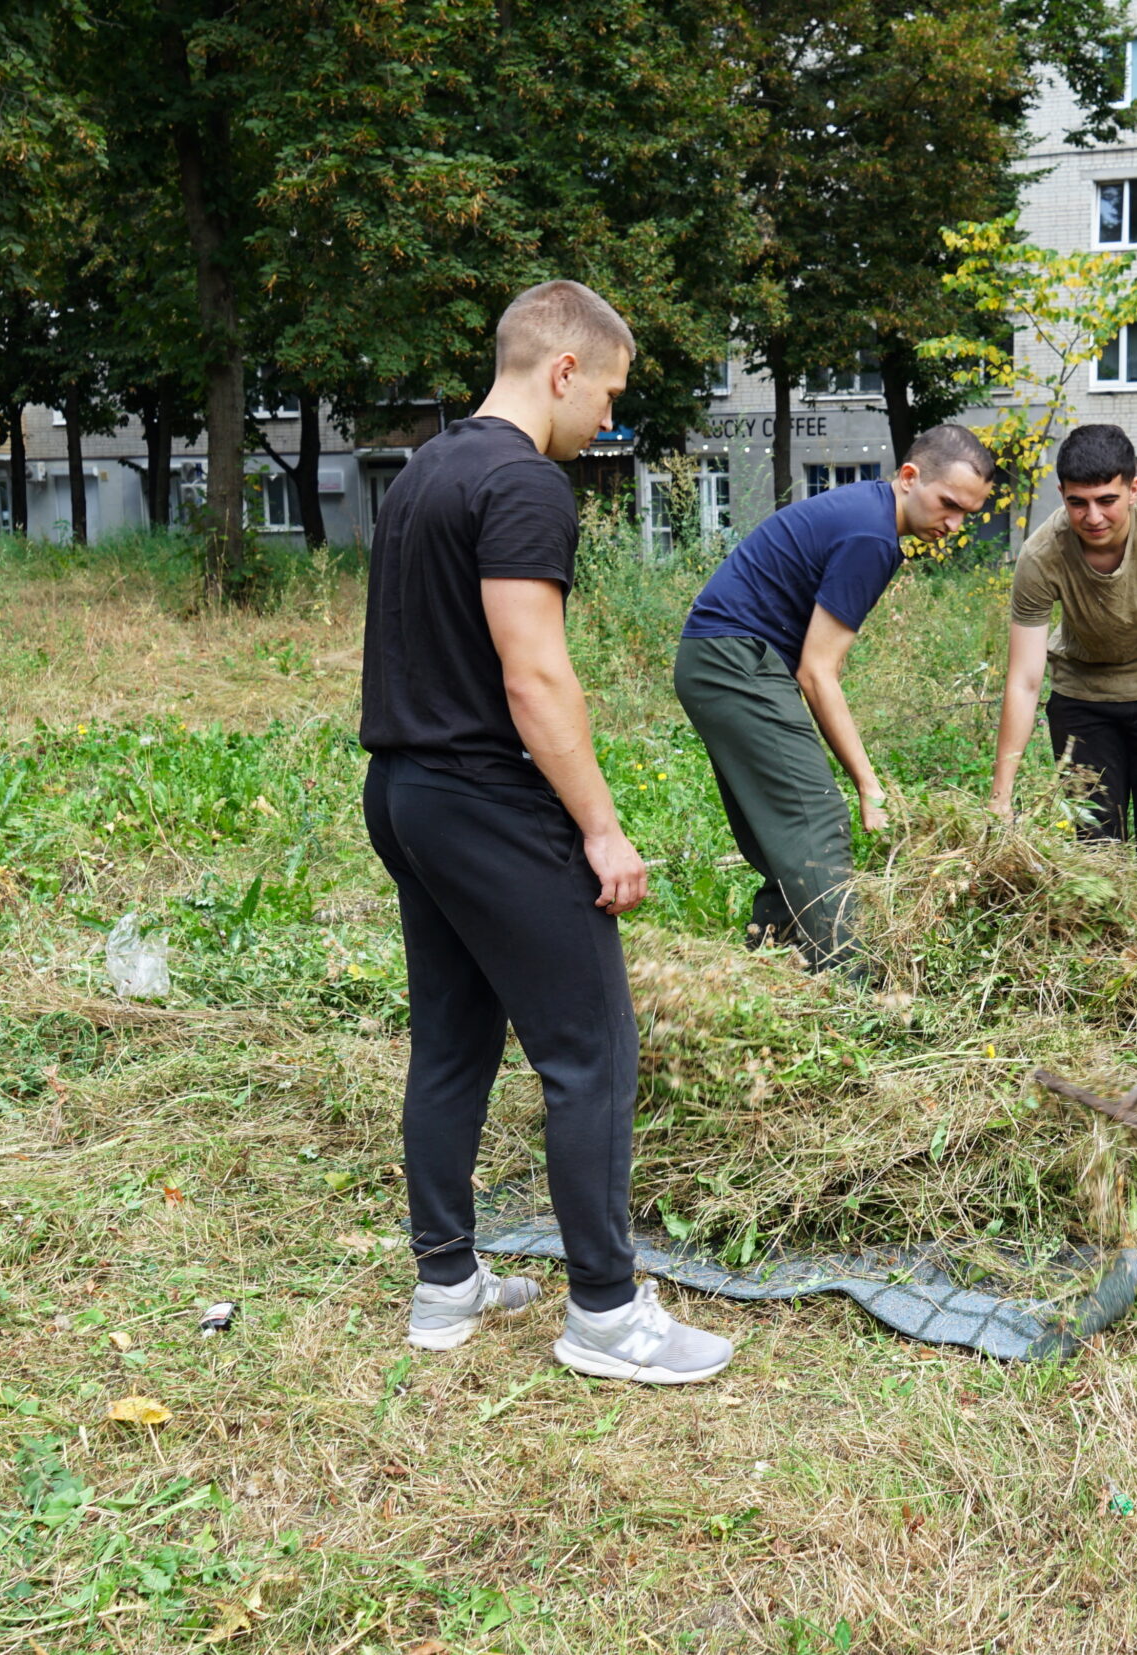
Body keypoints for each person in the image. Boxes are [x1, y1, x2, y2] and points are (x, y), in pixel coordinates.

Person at [361, 279, 730, 1383]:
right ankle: (607, 1314)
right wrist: (603, 830)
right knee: (590, 1051)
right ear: (562, 369)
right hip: (483, 799)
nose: (607, 421)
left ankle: (445, 1285)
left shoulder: (427, 468)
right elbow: (533, 674)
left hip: (405, 792)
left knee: (454, 1041)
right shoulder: (524, 481)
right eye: (608, 394)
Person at [675, 426, 996, 970]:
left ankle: (773, 964)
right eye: (948, 504)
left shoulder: (867, 515)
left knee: (780, 826)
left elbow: (822, 663)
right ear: (910, 477)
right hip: (736, 661)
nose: (954, 523)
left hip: (718, 660)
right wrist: (868, 786)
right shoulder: (871, 537)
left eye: (967, 513)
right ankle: (848, 984)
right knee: (815, 816)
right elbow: (817, 674)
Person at [989, 424, 1137, 923]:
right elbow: (1025, 679)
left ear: (1134, 487)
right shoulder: (1042, 555)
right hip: (1084, 698)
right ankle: (1105, 974)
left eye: (1107, 499)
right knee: (1095, 846)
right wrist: (1001, 795)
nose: (1093, 517)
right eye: (1078, 502)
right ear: (1061, 495)